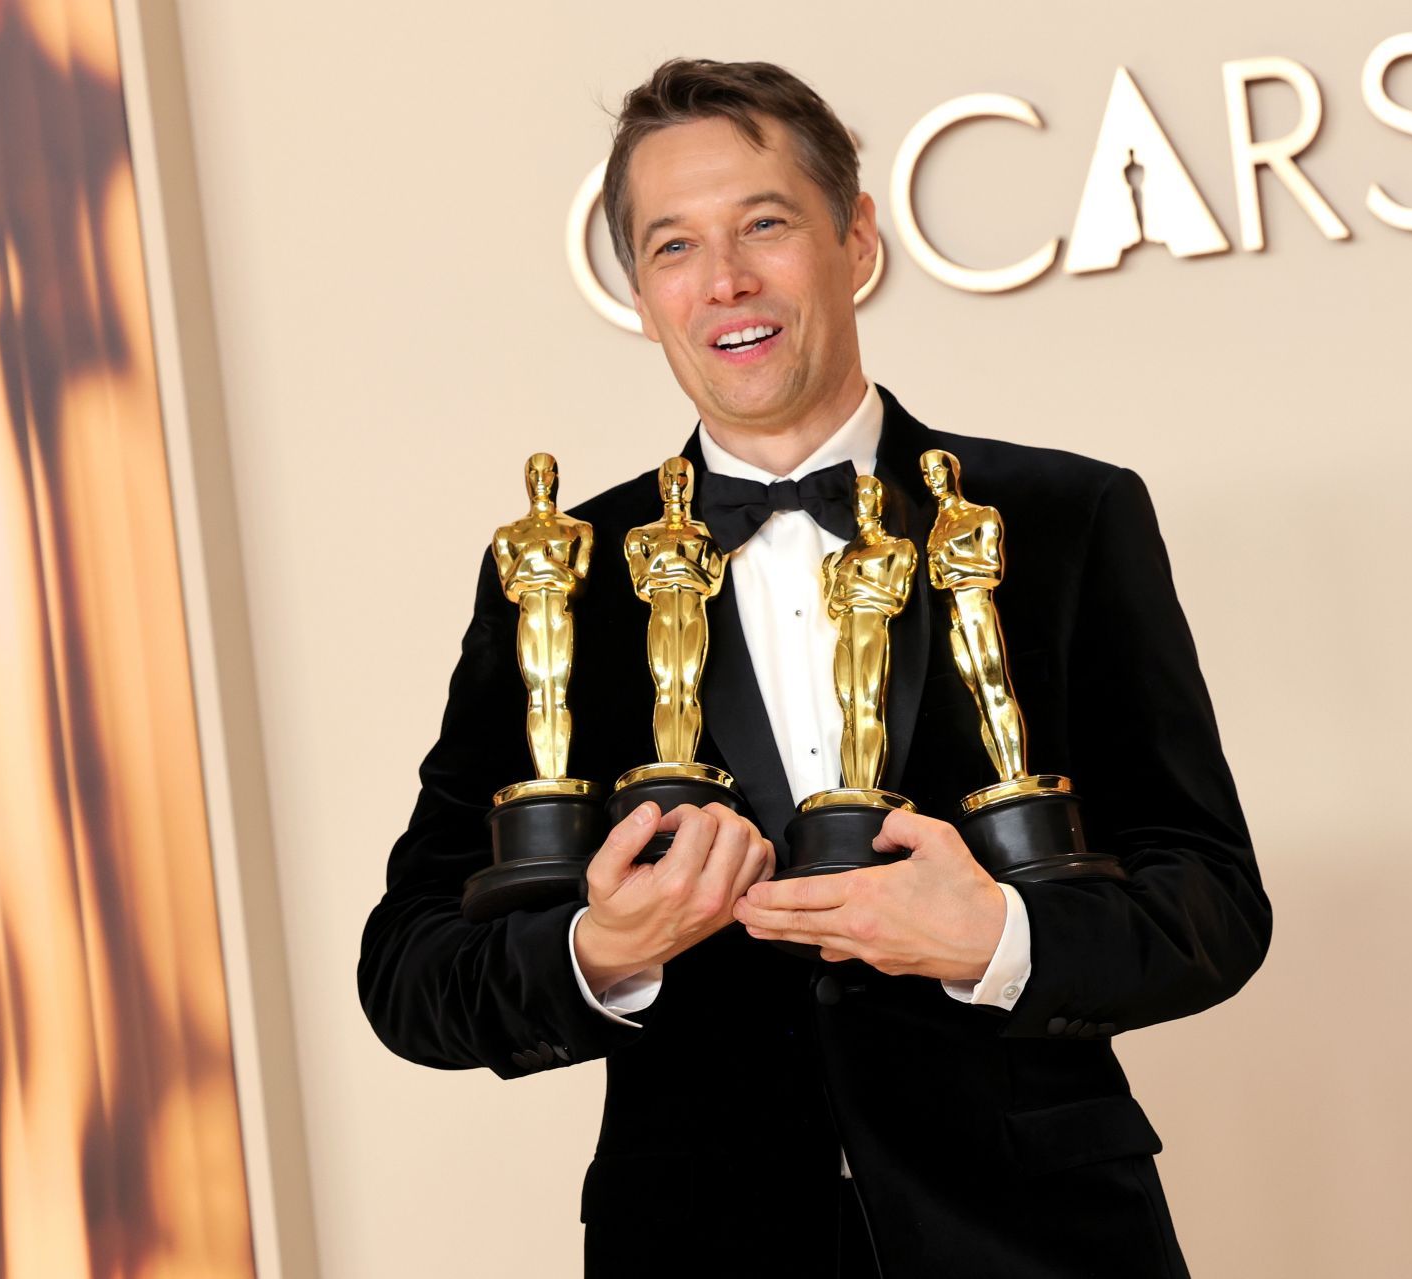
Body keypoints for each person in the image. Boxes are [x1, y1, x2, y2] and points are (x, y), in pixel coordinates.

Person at [358, 58, 1271, 1279]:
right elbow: (410, 966)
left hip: (1042, 1243)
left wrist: (997, 935)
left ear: (858, 240)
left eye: (765, 225)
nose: (724, 280)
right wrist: (602, 947)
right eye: (673, 246)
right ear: (639, 292)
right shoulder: (556, 574)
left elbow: (1211, 899)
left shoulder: (1066, 516)